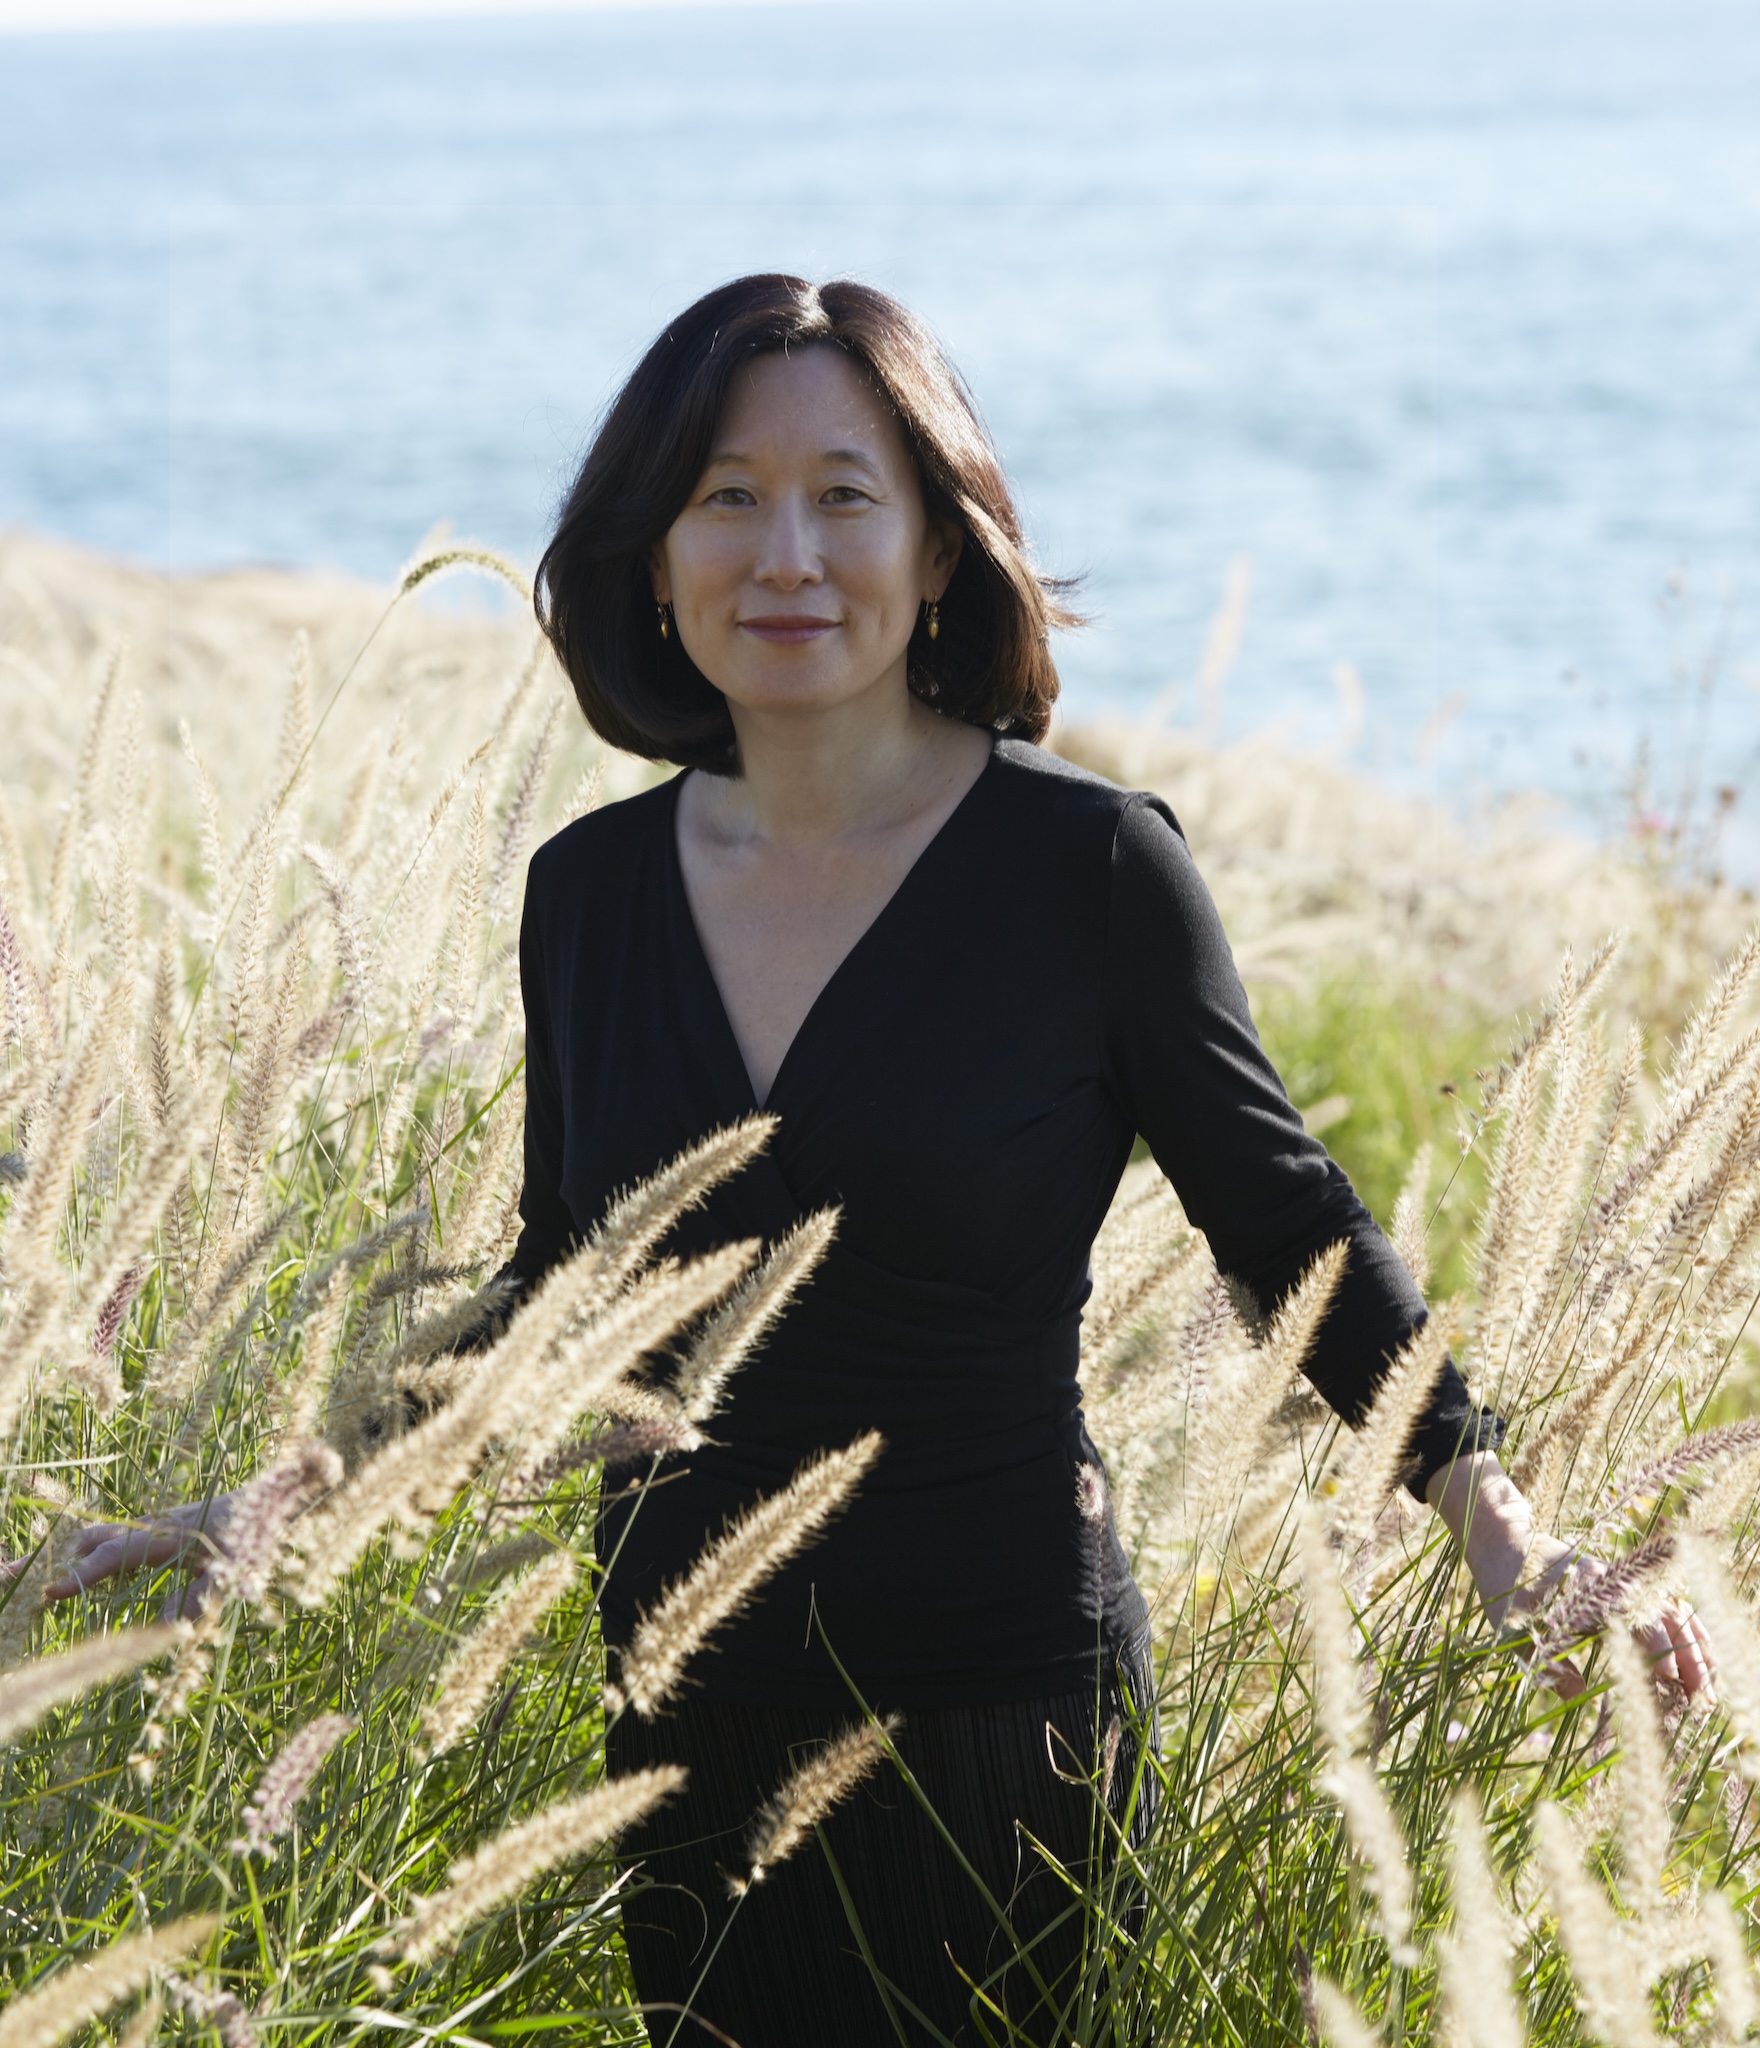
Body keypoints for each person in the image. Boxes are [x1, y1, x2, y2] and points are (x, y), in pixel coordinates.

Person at [27, 275, 1714, 2046]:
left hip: (1005, 1723)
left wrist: (1499, 1526)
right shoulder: (588, 902)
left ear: (936, 552)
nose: (788, 553)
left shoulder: (1093, 876)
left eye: (846, 495)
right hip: (682, 1715)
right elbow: (563, 1298)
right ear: (658, 562)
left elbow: (1286, 1224)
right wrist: (284, 1495)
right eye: (727, 498)